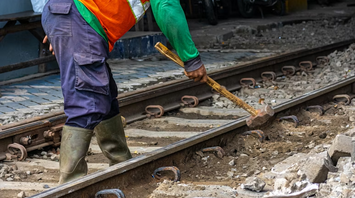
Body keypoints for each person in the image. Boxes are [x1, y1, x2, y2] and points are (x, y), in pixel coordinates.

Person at [42, 0, 208, 184]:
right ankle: (69, 186)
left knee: (104, 94)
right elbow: (166, 6)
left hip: (69, 14)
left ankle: (121, 164)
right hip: (78, 15)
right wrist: (190, 58)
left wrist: (61, 24)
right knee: (87, 101)